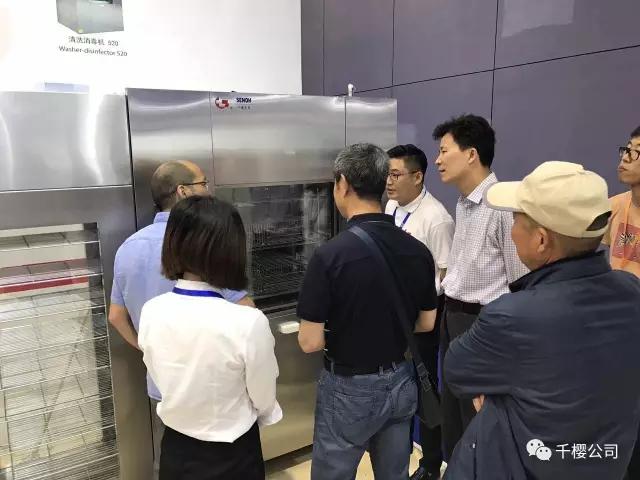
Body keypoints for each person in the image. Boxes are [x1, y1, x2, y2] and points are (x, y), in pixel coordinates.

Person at [443, 161, 640, 480]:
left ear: (541, 240)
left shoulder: (511, 316)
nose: (511, 232)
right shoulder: (631, 292)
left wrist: (498, 392)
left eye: (516, 220)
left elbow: (457, 370)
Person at [296, 143, 439, 480]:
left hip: (348, 388)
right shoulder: (417, 250)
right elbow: (427, 322)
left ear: (343, 184)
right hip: (401, 380)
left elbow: (309, 342)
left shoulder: (330, 256)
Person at [108, 160, 254, 479]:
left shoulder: (127, 248)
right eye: (204, 183)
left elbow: (116, 316)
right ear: (183, 191)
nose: (209, 190)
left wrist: (151, 347)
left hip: (165, 382)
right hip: (215, 388)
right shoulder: (204, 243)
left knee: (173, 453)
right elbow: (246, 310)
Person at [138, 196, 282, 480]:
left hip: (176, 449)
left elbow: (157, 372)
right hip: (232, 454)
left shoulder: (151, 311)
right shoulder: (247, 322)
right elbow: (263, 395)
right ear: (231, 252)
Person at [432, 114, 528, 460]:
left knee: (479, 418)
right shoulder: (463, 202)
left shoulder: (502, 206)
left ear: (471, 154)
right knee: (454, 411)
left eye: (445, 151)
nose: (438, 160)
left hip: (483, 323)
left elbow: (521, 282)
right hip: (454, 316)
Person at [386, 144, 454, 480]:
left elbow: (445, 273)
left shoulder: (436, 218)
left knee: (425, 386)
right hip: (391, 310)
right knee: (394, 383)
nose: (389, 182)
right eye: (387, 174)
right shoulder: (391, 207)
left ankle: (430, 463)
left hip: (423, 315)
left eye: (396, 175)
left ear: (417, 176)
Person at [603, 125, 640, 479]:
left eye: (635, 152)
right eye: (625, 149)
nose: (625, 158)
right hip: (616, 334)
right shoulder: (615, 206)